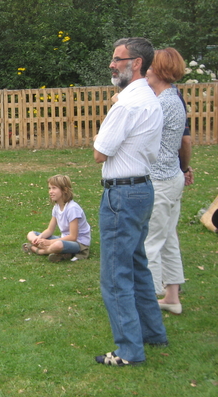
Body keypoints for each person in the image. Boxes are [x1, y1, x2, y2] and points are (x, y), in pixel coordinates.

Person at [93, 38, 167, 366]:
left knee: (115, 274)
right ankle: (152, 333)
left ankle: (129, 351)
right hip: (142, 191)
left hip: (122, 195)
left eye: (117, 59)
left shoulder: (126, 105)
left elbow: (100, 152)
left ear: (135, 63)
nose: (112, 64)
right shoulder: (151, 99)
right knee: (137, 266)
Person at [143, 48, 189, 315]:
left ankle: (146, 303)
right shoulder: (174, 98)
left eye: (149, 67)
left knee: (150, 241)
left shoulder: (162, 104)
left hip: (160, 181)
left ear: (158, 70)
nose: (146, 70)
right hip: (172, 177)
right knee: (168, 237)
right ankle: (172, 297)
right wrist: (185, 167)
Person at [22, 174, 90, 262]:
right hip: (64, 239)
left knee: (57, 245)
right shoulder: (56, 207)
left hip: (79, 243)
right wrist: (40, 238)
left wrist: (49, 242)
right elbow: (50, 230)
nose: (51, 191)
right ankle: (61, 253)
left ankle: (40, 251)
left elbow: (73, 237)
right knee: (31, 234)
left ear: (65, 190)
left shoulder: (72, 208)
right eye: (49, 188)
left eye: (54, 188)